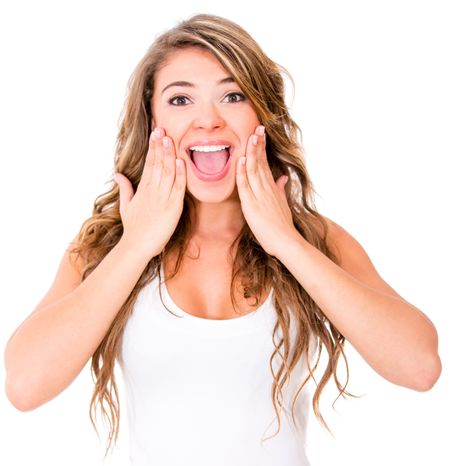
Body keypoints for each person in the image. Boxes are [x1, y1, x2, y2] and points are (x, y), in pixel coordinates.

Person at [4, 13, 441, 466]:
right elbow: (24, 386)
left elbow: (419, 367)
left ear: (260, 113)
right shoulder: (107, 246)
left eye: (232, 96)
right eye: (180, 100)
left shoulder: (315, 238)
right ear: (151, 120)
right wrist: (136, 247)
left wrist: (285, 241)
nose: (207, 121)